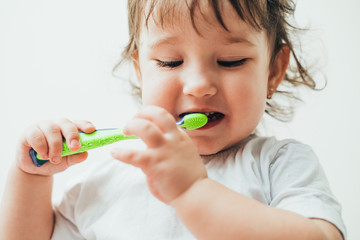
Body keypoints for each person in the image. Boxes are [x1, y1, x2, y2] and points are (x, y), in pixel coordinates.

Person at [0, 0, 346, 239]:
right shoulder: (112, 176)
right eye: (169, 62)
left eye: (230, 61)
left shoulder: (279, 165)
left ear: (273, 71)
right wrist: (30, 177)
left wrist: (192, 190)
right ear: (140, 69)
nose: (198, 86)